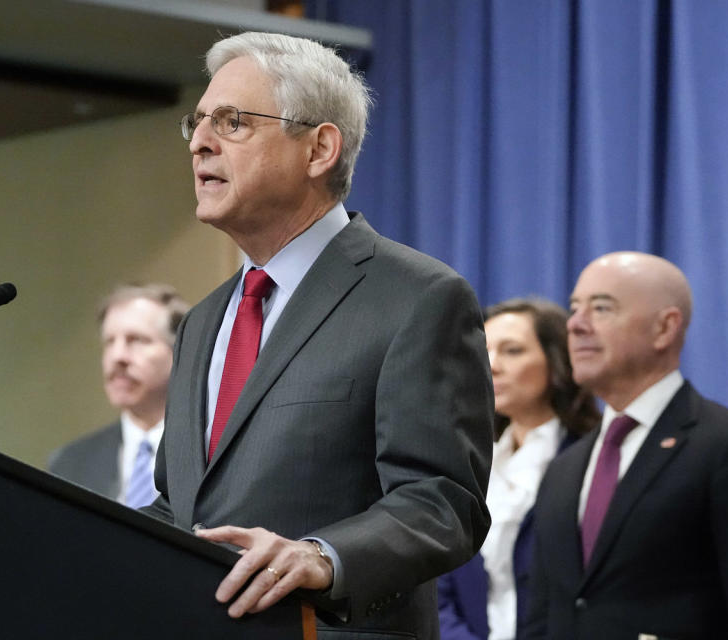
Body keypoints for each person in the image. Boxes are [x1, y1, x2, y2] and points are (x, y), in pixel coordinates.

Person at [141, 32, 494, 639]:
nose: (199, 142)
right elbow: (182, 507)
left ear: (319, 149)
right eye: (197, 123)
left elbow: (441, 503)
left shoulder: (418, 297)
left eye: (231, 122)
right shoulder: (202, 321)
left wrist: (322, 556)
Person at [523, 252, 728, 639]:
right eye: (574, 308)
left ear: (664, 328)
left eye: (601, 308)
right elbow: (540, 618)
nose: (576, 325)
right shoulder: (563, 469)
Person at [438, 298, 599, 640]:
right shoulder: (471, 460)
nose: (491, 365)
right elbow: (439, 579)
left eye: (512, 351)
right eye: (484, 351)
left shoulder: (595, 456)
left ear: (557, 361)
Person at [49, 283, 189, 507]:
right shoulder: (69, 463)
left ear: (179, 351)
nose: (118, 356)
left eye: (137, 340)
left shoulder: (207, 454)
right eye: (110, 342)